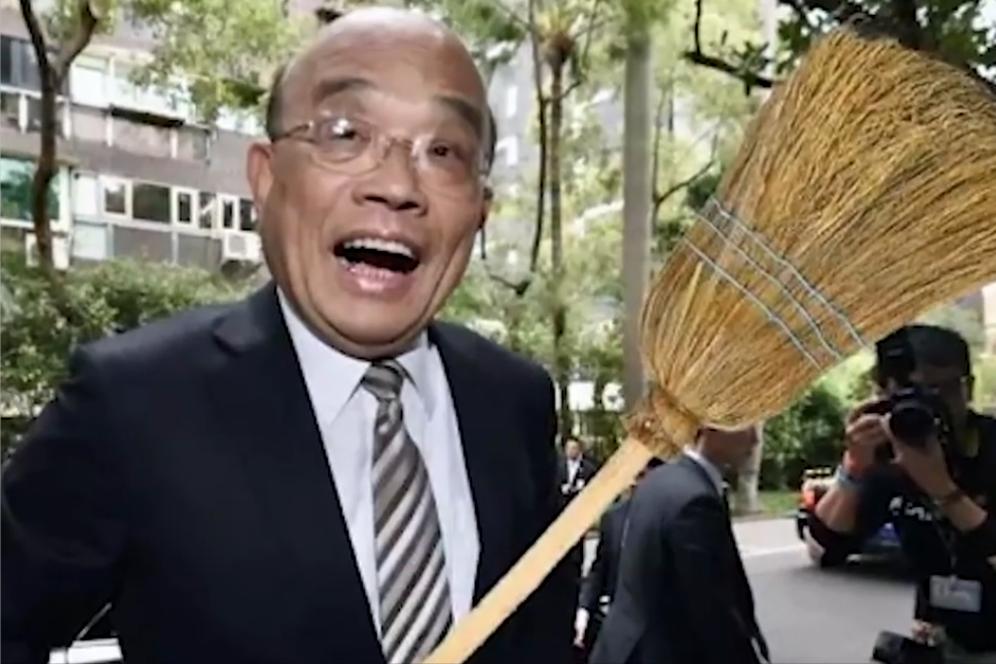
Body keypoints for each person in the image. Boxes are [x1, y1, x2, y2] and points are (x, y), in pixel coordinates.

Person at [1, 8, 573, 664]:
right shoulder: (133, 403)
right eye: (345, 133)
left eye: (443, 152)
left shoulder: (515, 402)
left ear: (479, 210)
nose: (396, 186)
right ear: (266, 179)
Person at [807, 325, 996, 663]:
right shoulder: (893, 457)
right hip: (940, 641)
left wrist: (943, 491)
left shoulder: (990, 445)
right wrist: (853, 469)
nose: (928, 409)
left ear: (967, 388)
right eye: (908, 397)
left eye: (939, 391)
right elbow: (825, 548)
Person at [590, 426, 769, 664]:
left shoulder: (660, 480)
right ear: (711, 427)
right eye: (745, 425)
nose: (755, 439)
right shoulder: (695, 502)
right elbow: (712, 612)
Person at [574, 459, 663, 658]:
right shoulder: (614, 518)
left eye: (643, 476)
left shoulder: (671, 517)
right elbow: (600, 569)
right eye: (635, 475)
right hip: (618, 629)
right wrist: (584, 610)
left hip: (658, 632)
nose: (637, 482)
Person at [559, 438, 598, 504]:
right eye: (568, 448)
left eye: (573, 448)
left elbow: (594, 487)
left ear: (579, 450)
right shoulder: (559, 467)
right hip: (562, 504)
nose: (570, 451)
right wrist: (562, 488)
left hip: (582, 503)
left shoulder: (589, 468)